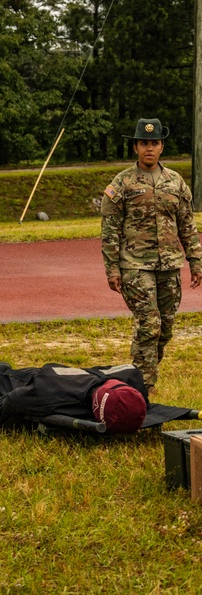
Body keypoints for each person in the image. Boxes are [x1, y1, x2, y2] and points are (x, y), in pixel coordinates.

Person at [100, 118, 202, 391]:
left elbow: (187, 225)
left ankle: (140, 376)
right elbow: (110, 229)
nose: (149, 148)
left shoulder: (176, 182)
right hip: (135, 266)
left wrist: (195, 261)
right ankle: (142, 388)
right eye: (144, 143)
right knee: (149, 324)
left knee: (165, 328)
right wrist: (112, 268)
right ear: (135, 147)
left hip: (169, 264)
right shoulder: (122, 183)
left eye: (154, 143)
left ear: (161, 147)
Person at [0, 362, 148, 433]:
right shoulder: (133, 378)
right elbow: (11, 401)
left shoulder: (130, 375)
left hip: (32, 381)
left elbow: (9, 402)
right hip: (36, 378)